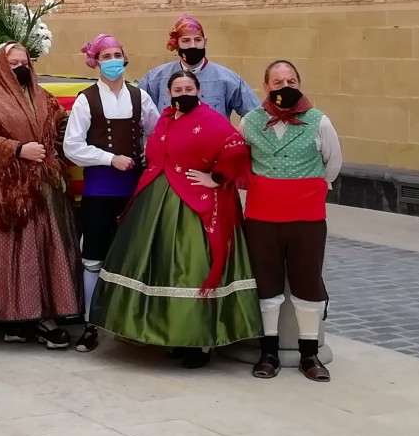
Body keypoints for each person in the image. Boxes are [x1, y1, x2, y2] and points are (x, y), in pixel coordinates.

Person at [90, 70, 262, 368]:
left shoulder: (211, 120)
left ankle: (199, 342)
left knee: (191, 266)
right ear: (169, 93)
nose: (183, 92)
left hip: (194, 203)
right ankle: (169, 334)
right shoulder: (167, 119)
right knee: (158, 266)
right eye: (178, 88)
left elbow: (235, 149)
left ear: (198, 91)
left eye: (189, 88)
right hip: (158, 200)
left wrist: (215, 178)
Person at [0, 42, 81, 349]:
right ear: (2, 66)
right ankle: (15, 319)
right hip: (6, 195)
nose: (21, 68)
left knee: (43, 253)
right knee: (15, 255)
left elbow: (61, 124)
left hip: (45, 188)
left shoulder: (43, 96)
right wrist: (18, 149)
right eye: (14, 63)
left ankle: (40, 316)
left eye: (24, 62)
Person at [241, 60, 343, 382]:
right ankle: (268, 351)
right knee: (266, 283)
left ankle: (309, 354)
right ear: (266, 86)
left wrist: (304, 189)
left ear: (299, 83)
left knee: (307, 281)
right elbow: (239, 159)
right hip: (262, 216)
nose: (284, 85)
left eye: (290, 80)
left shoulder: (319, 121)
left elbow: (333, 164)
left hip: (306, 217)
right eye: (277, 81)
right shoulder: (249, 121)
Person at [63, 34, 160, 352]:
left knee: (133, 255)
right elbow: (72, 147)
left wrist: (146, 154)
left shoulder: (140, 96)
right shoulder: (86, 99)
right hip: (100, 189)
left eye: (118, 54)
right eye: (107, 56)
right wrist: (109, 158)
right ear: (95, 62)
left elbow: (156, 132)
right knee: (93, 257)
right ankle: (91, 323)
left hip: (134, 189)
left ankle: (129, 322)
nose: (114, 60)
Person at [139, 14, 259, 119]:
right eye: (185, 41)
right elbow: (139, 113)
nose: (193, 46)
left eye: (197, 40)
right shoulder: (155, 78)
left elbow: (256, 115)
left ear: (205, 42)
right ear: (177, 45)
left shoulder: (228, 79)